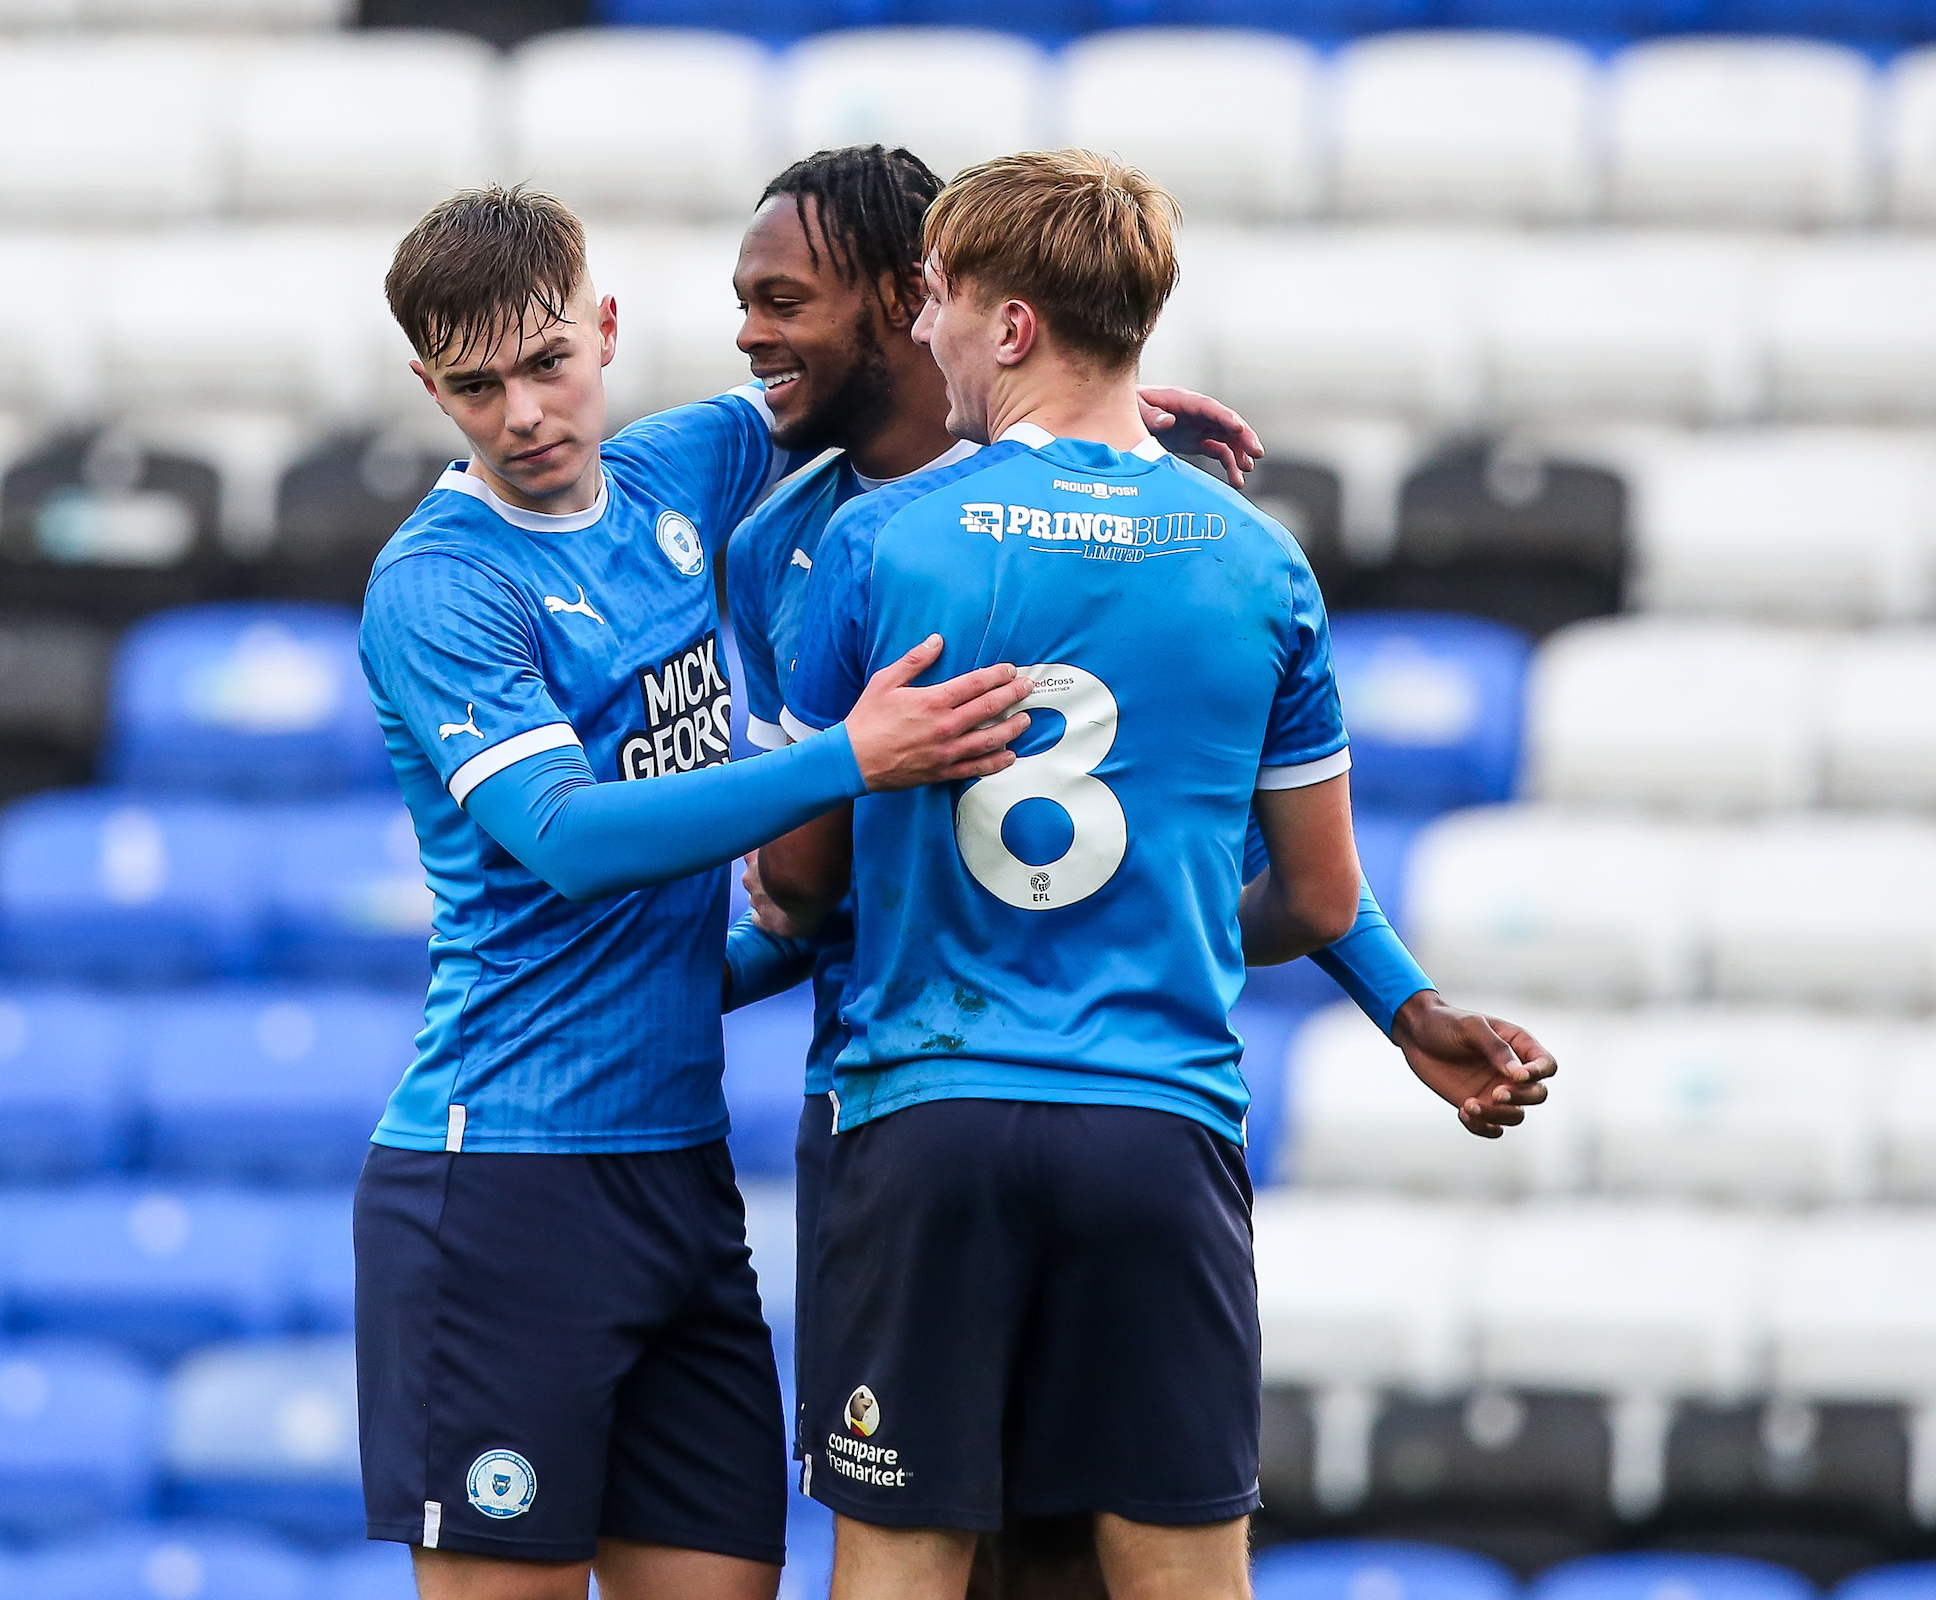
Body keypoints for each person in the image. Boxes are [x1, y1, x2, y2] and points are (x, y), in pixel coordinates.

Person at [721, 145, 1558, 1597]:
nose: (929, 332)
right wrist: (1176, 929)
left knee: (900, 1571)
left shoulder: (878, 543)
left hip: (925, 1113)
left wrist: (797, 899)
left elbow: (795, 876)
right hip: (1156, 1124)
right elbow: (1315, 897)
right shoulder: (1256, 562)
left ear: (1017, 327)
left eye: (950, 304)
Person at [350, 183, 1046, 1600]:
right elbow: (568, 839)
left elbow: (885, 382)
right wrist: (849, 760)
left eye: (549, 364)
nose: (526, 415)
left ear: (603, 330)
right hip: (504, 1188)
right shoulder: (440, 585)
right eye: (476, 389)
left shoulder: (681, 473)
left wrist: (1109, 419)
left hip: (677, 1177)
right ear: (430, 386)